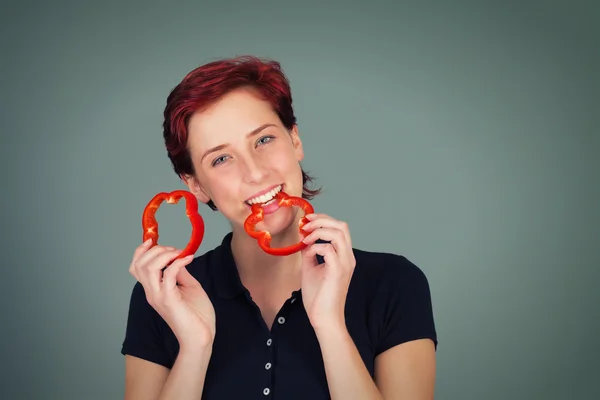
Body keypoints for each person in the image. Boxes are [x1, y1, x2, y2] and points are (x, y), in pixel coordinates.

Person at [121, 55, 438, 400]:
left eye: (263, 140)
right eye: (221, 159)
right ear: (196, 185)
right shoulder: (163, 297)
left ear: (295, 141)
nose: (255, 172)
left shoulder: (394, 285)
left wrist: (330, 325)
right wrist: (195, 347)